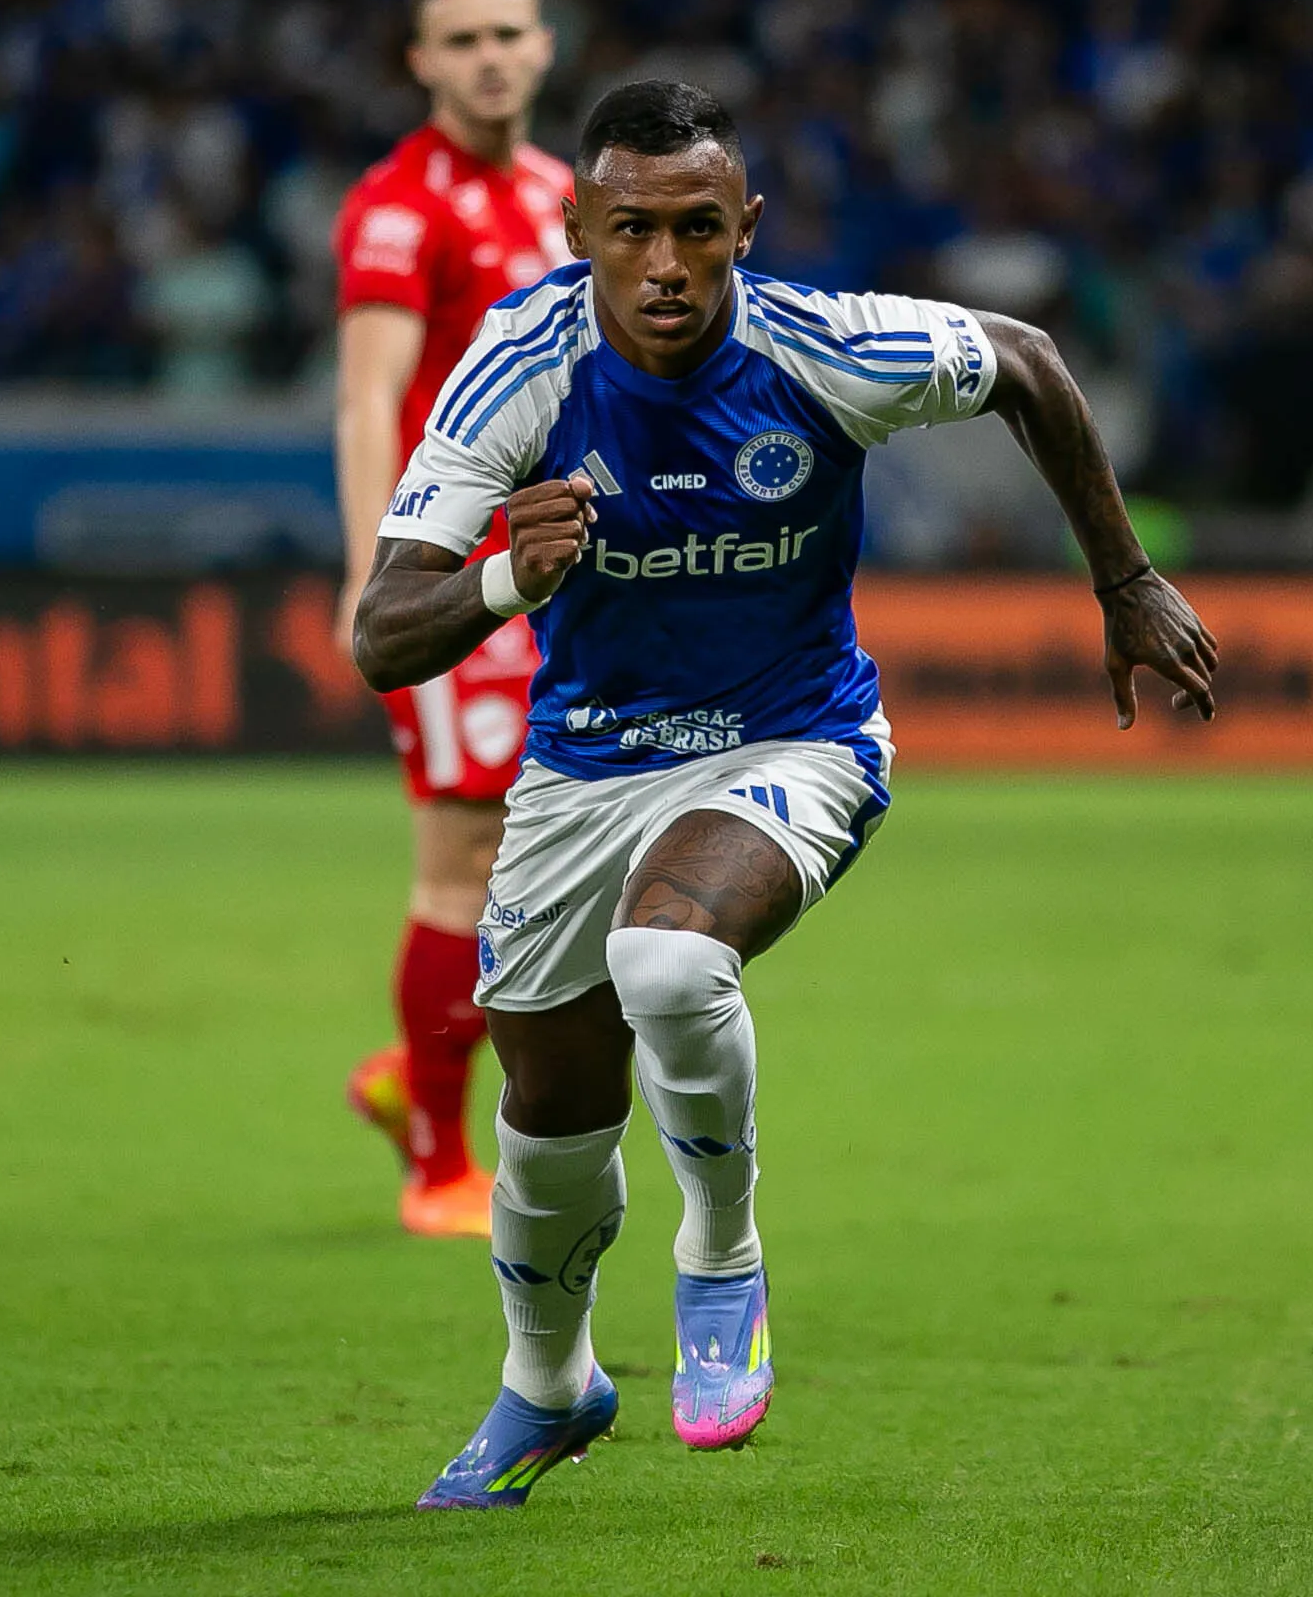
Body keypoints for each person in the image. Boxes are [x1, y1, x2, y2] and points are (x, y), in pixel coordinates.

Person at [353, 80, 1217, 1508]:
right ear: (580, 227)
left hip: (790, 743)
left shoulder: (825, 347)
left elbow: (1026, 360)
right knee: (548, 1116)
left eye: (701, 227)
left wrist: (1122, 580)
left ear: (747, 227)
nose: (668, 263)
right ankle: (548, 1386)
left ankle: (723, 1263)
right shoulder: (521, 361)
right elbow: (385, 634)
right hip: (582, 768)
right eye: (633, 229)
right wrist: (510, 572)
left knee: (670, 958)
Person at [329, 0, 576, 1239]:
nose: (490, 58)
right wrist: (381, 574)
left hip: (559, 574)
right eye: (462, 39)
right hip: (455, 579)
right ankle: (435, 1159)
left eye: (508, 34)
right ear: (422, 61)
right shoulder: (397, 206)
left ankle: (409, 1076)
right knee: (461, 862)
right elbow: (369, 396)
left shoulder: (561, 195)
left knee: (556, 853)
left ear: (542, 45)